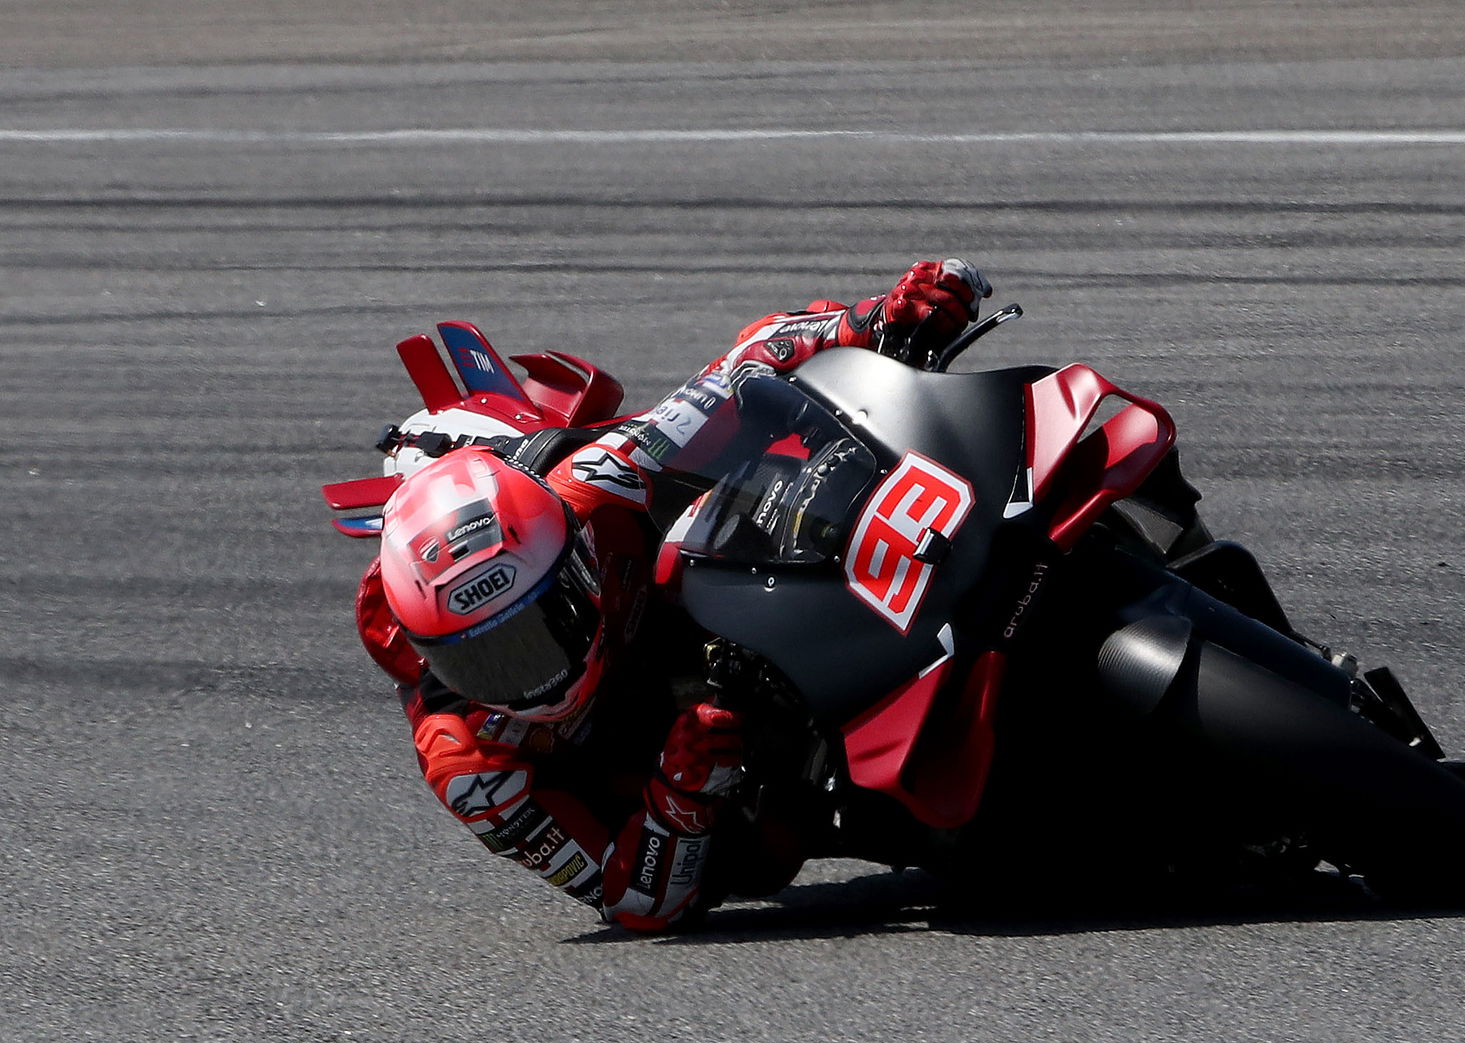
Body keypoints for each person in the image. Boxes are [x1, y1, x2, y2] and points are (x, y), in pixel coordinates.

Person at [356, 259, 993, 930]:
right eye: (482, 660)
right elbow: (626, 900)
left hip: (751, 612)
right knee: (775, 852)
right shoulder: (465, 762)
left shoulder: (595, 479)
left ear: (569, 556)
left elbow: (740, 372)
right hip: (708, 780)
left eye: (538, 630)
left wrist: (877, 319)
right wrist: (677, 801)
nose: (529, 679)